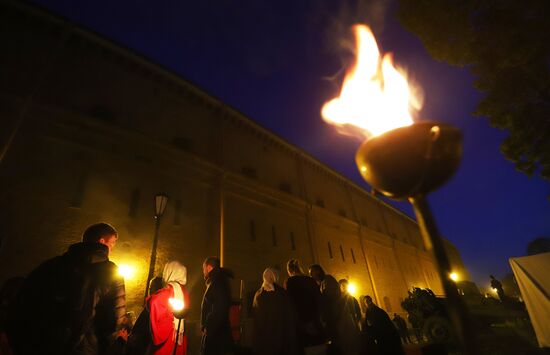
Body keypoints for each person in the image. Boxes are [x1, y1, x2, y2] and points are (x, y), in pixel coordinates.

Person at [7, 222, 126, 355]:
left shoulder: (51, 266)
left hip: (41, 344)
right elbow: (112, 320)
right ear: (102, 241)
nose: (112, 248)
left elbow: (22, 303)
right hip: (82, 349)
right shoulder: (110, 271)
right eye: (113, 243)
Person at [147, 261, 190, 355]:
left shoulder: (169, 291)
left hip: (169, 337)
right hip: (179, 336)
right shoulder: (184, 292)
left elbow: (154, 302)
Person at [285, 259, 325, 354]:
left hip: (301, 325)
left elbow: (290, 304)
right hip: (316, 322)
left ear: (289, 270)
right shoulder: (310, 280)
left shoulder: (290, 282)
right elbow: (319, 300)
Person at [252, 267, 295, 355]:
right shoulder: (280, 293)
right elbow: (288, 314)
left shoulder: (258, 294)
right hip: (280, 336)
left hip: (264, 335)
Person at [200, 256, 234, 355]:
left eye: (204, 268)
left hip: (216, 335)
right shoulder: (217, 281)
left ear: (209, 268)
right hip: (217, 333)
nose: (203, 271)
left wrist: (208, 327)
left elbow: (219, 308)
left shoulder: (217, 282)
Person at [126, 276, 164, 355]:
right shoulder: (150, 305)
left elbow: (145, 330)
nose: (150, 290)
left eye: (153, 287)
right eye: (150, 287)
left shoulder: (154, 307)